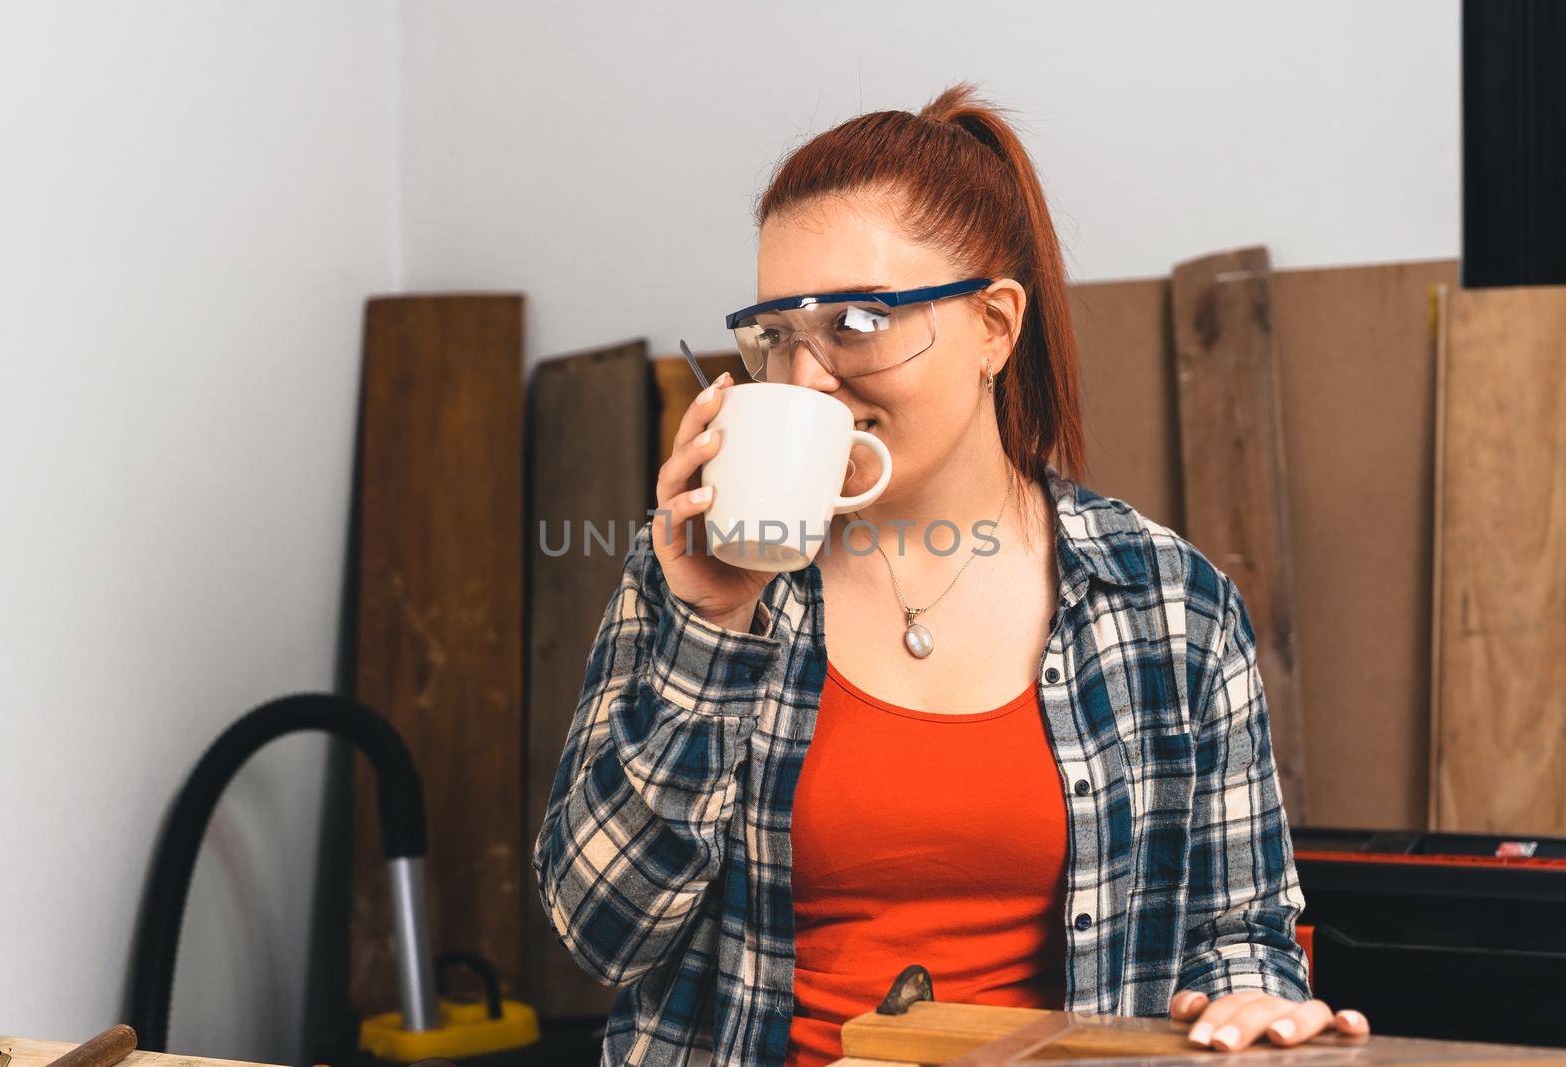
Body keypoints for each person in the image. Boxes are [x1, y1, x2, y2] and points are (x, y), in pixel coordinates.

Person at [532, 81, 1369, 1067]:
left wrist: (1258, 1004)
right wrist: (711, 631)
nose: (805, 379)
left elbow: (1245, 941)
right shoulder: (699, 572)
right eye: (778, 335)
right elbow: (600, 934)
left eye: (854, 323)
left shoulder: (1168, 606)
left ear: (994, 326)